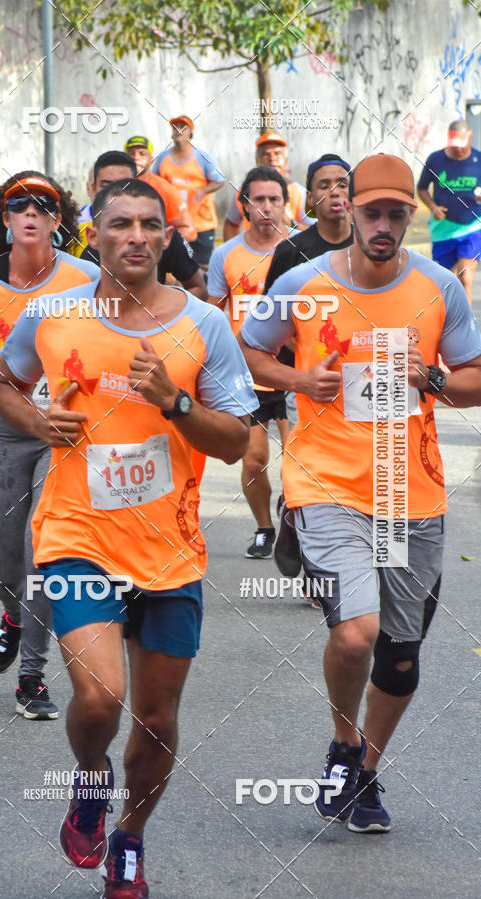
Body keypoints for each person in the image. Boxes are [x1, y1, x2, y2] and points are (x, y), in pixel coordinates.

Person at [0, 177, 256, 896]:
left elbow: (236, 441)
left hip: (169, 551)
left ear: (168, 236)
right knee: (102, 698)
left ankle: (131, 839)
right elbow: (4, 381)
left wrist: (173, 400)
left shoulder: (203, 325)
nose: (135, 235)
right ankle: (88, 775)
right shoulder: (50, 315)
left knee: (160, 719)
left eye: (149, 223)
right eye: (120, 223)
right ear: (94, 233)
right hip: (77, 533)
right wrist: (39, 422)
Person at [240, 153, 481, 833]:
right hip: (326, 482)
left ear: (412, 215)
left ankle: (363, 770)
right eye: (370, 211)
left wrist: (432, 377)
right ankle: (343, 741)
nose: (381, 225)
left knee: (400, 657)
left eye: (394, 214)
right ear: (347, 212)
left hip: (413, 493)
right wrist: (296, 380)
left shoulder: (439, 289)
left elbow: (476, 378)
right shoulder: (301, 284)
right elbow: (248, 350)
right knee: (356, 634)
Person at [0, 172, 99, 719]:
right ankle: (12, 615)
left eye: (43, 206)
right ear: (5, 220)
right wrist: (3, 366)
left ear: (58, 222)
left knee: (40, 551)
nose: (31, 212)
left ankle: (32, 675)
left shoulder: (85, 278)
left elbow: (114, 341)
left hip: (64, 432)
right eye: (19, 205)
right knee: (6, 559)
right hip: (4, 424)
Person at [263, 153, 353, 587]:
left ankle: (293, 513)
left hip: (366, 383)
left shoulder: (374, 244)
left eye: (342, 182)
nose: (335, 191)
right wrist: (300, 369)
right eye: (324, 185)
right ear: (310, 199)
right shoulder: (293, 252)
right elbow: (267, 329)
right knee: (316, 474)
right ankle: (322, 577)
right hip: (306, 384)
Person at [207, 165, 289, 558]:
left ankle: (297, 522)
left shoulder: (299, 251)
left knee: (301, 464)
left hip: (292, 374)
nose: (267, 207)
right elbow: (211, 316)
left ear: (286, 204)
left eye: (275, 199)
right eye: (259, 199)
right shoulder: (226, 255)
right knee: (254, 461)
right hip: (245, 377)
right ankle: (264, 529)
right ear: (244, 205)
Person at [72, 150, 207, 300]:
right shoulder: (76, 233)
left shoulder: (162, 235)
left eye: (125, 185)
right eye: (106, 186)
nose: (116, 193)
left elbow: (197, 288)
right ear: (93, 237)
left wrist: (168, 313)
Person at [417, 120, 481, 303]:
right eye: (455, 146)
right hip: (443, 229)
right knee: (446, 280)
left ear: (470, 137)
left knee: (465, 277)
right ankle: (448, 320)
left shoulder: (479, 160)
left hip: (472, 227)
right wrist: (432, 207)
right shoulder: (435, 160)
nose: (459, 150)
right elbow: (421, 188)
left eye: (462, 146)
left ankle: (467, 326)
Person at [152, 115, 225, 268]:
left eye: (183, 127)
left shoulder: (202, 157)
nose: (178, 130)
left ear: (190, 133)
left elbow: (219, 180)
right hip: (174, 224)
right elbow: (153, 183)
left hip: (201, 223)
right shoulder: (162, 158)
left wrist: (203, 191)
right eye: (175, 127)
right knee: (174, 267)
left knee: (202, 266)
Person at [223, 131, 315, 242]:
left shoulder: (299, 193)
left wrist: (291, 224)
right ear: (257, 160)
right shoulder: (243, 192)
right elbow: (231, 223)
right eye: (266, 154)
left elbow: (316, 232)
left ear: (285, 160)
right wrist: (233, 253)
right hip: (253, 256)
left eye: (277, 153)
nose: (272, 158)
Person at [124, 135, 197, 241]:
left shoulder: (164, 189)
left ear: (151, 160)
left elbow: (189, 231)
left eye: (142, 153)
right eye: (131, 153)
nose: (136, 157)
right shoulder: (114, 186)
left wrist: (156, 244)